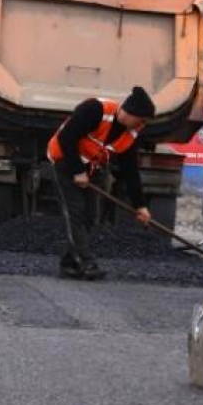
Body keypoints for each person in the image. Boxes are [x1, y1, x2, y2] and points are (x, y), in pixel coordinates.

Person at [47, 87, 155, 280]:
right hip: (65, 160)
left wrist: (140, 205)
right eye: (141, 120)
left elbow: (130, 170)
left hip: (92, 168)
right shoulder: (95, 110)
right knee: (75, 211)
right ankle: (86, 263)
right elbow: (66, 138)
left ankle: (69, 263)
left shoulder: (131, 133)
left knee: (90, 216)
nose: (141, 125)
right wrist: (77, 170)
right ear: (129, 112)